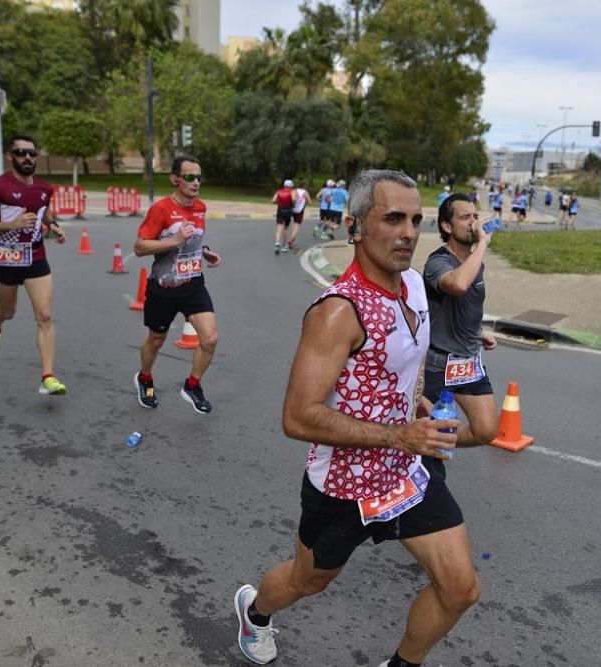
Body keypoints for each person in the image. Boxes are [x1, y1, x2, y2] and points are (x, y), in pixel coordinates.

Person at [234, 170, 480, 667]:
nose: (409, 232)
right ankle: (254, 612)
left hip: (406, 470)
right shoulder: (337, 312)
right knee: (309, 582)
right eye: (392, 218)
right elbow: (298, 417)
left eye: (415, 219)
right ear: (356, 227)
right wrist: (397, 432)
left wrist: (412, 400)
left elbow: (405, 358)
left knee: (460, 589)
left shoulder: (412, 285)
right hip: (343, 484)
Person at [0, 134, 68, 396]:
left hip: (35, 256)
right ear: (10, 156)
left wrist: (54, 225)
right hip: (4, 257)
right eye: (21, 153)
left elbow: (43, 208)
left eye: (32, 153)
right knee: (8, 311)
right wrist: (10, 225)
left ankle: (48, 377)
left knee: (45, 315)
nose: (27, 158)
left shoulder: (45, 187)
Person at [133, 155, 222, 414]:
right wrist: (174, 241)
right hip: (163, 287)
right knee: (156, 340)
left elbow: (191, 242)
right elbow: (139, 247)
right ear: (175, 179)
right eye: (189, 177)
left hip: (193, 284)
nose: (196, 182)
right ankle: (145, 378)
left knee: (210, 339)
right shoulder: (161, 210)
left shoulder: (201, 208)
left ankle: (192, 385)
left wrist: (204, 252)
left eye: (199, 177)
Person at [423, 194, 499, 446]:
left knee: (486, 430)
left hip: (468, 363)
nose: (473, 222)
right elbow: (457, 284)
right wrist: (483, 244)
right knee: (425, 433)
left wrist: (479, 332)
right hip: (439, 363)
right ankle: (428, 454)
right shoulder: (437, 262)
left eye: (475, 216)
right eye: (465, 217)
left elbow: (466, 306)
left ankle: (439, 445)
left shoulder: (475, 262)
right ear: (447, 226)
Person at [272, 179, 295, 254]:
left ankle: (277, 243)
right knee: (286, 227)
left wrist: (279, 202)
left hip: (280, 210)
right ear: (291, 186)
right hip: (288, 210)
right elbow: (294, 199)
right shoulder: (292, 192)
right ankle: (285, 245)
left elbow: (273, 200)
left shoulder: (279, 191)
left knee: (279, 226)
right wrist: (292, 204)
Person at [288, 180, 312, 250]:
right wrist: (305, 201)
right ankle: (291, 239)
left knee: (287, 225)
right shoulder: (305, 193)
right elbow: (310, 203)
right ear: (304, 186)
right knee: (296, 225)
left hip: (292, 209)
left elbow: (291, 199)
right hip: (300, 211)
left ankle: (286, 239)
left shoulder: (294, 191)